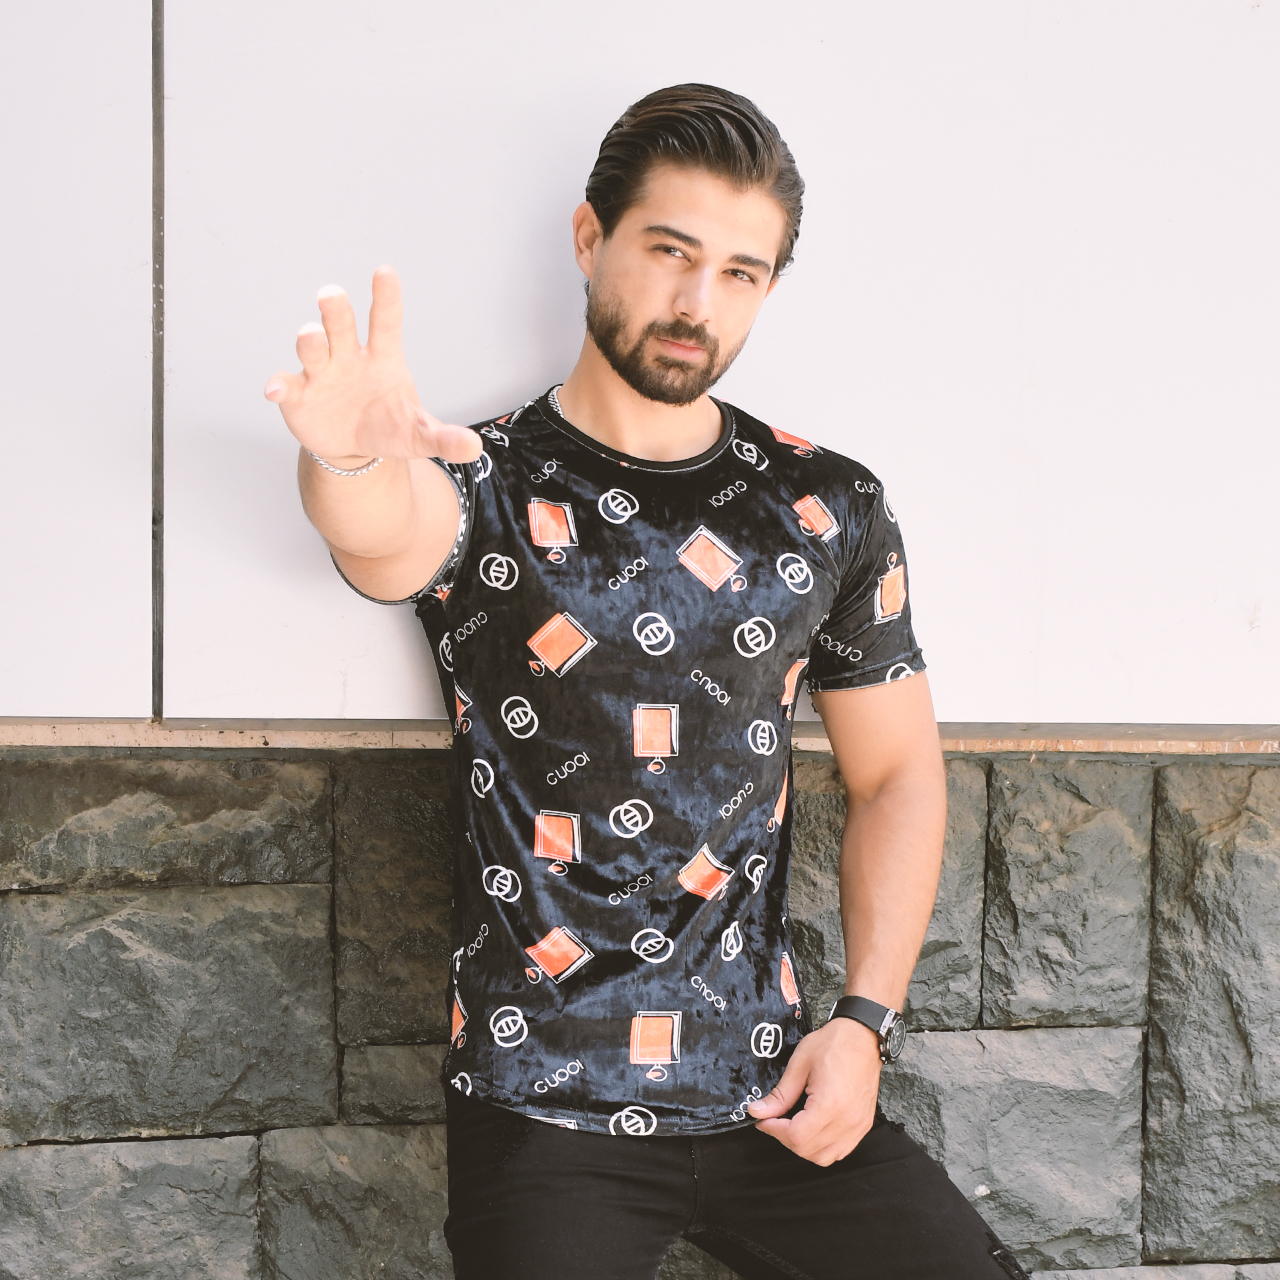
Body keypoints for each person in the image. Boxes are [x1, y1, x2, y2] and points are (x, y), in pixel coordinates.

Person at [265, 83, 1029, 1280]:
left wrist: (862, 1023)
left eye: (738, 271)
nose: (695, 302)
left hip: (768, 1084)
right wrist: (348, 455)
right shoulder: (481, 481)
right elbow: (379, 531)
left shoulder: (825, 506)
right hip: (539, 1100)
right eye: (670, 252)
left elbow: (894, 775)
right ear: (590, 239)